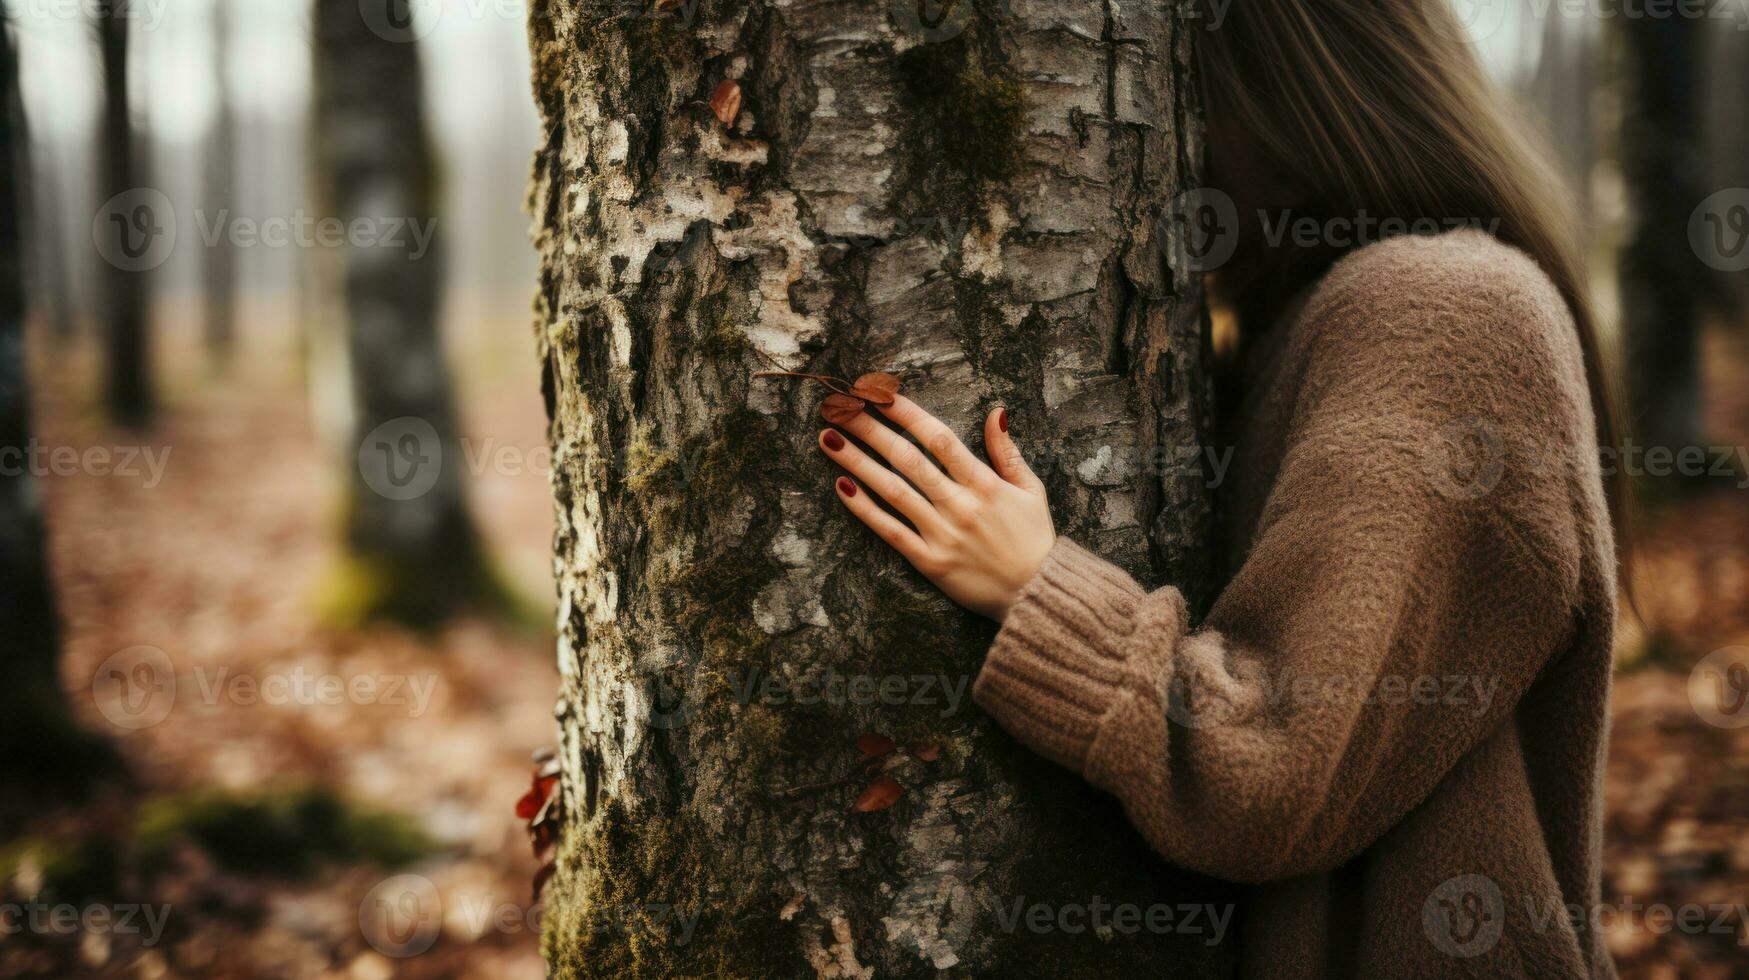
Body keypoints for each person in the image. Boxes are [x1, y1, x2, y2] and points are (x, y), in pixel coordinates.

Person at [815, 1, 1623, 976]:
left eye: (1185, 92)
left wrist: (1039, 587)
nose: (1172, 149)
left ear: (1291, 96)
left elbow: (1274, 766)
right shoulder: (1333, 317)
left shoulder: (1446, 310)